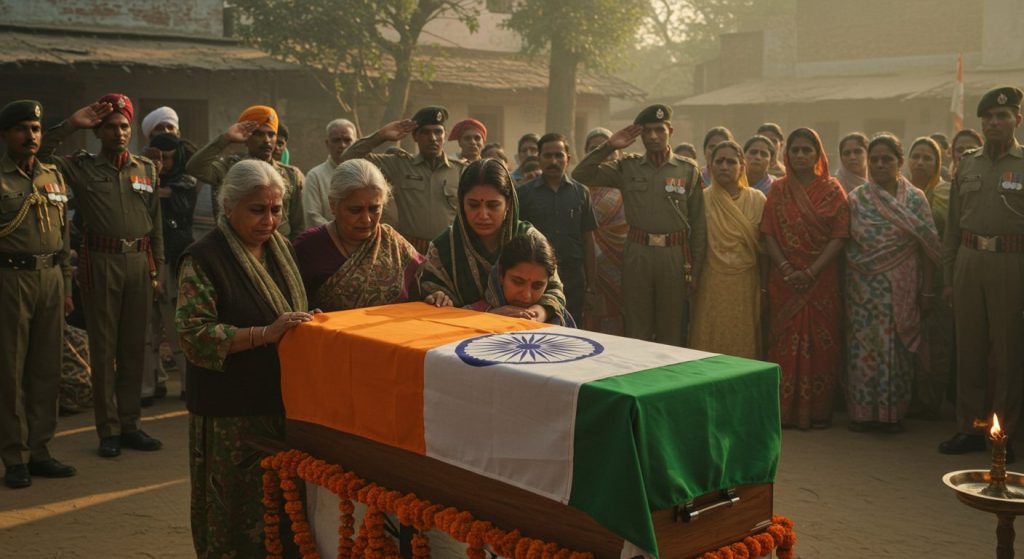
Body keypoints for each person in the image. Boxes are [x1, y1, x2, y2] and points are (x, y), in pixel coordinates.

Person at [175, 159, 311, 558]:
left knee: (282, 515)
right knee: (233, 515)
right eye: (257, 209)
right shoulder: (203, 258)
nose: (269, 220)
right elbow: (193, 334)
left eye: (276, 209)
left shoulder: (281, 250)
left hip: (278, 404)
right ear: (228, 206)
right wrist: (264, 335)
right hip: (229, 414)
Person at [39, 94, 164, 456]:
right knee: (104, 348)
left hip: (139, 262)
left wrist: (158, 270)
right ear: (98, 132)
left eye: (124, 126)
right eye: (110, 127)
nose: (119, 132)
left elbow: (154, 224)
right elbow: (39, 156)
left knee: (132, 348)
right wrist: (71, 125)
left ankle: (131, 425)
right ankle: (107, 430)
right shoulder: (80, 167)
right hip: (101, 260)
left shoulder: (147, 168)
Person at [572, 104, 706, 347]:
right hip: (638, 253)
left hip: (673, 256)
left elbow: (698, 225)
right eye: (647, 131)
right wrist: (610, 146)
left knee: (672, 327)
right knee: (637, 326)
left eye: (659, 130)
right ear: (640, 135)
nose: (653, 136)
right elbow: (581, 174)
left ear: (670, 131)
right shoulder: (627, 167)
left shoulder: (688, 169)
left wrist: (695, 271)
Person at [939, 87, 1024, 460]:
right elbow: (953, 228)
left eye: (1002, 116)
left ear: (1017, 120)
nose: (994, 123)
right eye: (988, 117)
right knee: (969, 351)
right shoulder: (968, 164)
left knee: (1009, 353)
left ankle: (1005, 434)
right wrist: (948, 277)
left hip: (1011, 263)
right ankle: (971, 428)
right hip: (969, 261)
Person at [0, 100, 76, 488]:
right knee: (11, 370)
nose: (30, 136)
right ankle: (14, 456)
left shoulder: (51, 175)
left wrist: (65, 281)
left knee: (48, 368)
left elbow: (63, 234)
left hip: (50, 277)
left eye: (35, 129)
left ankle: (41, 449)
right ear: (5, 135)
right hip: (10, 279)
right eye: (21, 129)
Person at [845, 134, 941, 433]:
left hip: (903, 284)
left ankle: (892, 414)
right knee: (863, 348)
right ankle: (863, 414)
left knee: (896, 348)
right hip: (863, 286)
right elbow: (847, 244)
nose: (879, 164)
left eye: (887, 159)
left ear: (900, 163)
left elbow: (927, 245)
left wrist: (926, 291)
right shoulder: (856, 198)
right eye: (874, 159)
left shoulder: (915, 198)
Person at [761, 127, 849, 430]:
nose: (800, 155)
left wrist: (811, 272)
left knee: (821, 345)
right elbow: (768, 232)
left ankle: (818, 412)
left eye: (806, 150)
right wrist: (786, 268)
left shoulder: (833, 189)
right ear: (787, 154)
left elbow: (840, 237)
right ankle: (783, 412)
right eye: (795, 150)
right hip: (784, 281)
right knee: (784, 343)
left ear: (818, 154)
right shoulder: (779, 189)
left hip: (821, 281)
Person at [420, 158, 567, 323]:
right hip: (460, 338)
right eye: (474, 205)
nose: (483, 215)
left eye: (493, 205)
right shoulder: (445, 246)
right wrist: (438, 298)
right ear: (461, 204)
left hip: (526, 333)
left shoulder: (530, 239)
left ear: (509, 204)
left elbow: (555, 289)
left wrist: (540, 311)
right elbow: (430, 293)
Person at [293, 159, 423, 310]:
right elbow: (290, 304)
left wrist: (435, 295)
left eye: (374, 209)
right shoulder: (309, 247)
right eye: (355, 210)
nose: (366, 219)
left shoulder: (394, 244)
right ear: (333, 205)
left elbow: (423, 281)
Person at [339, 106, 466, 254]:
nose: (432, 138)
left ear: (445, 135)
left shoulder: (461, 170)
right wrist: (381, 135)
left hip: (450, 252)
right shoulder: (400, 165)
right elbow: (347, 159)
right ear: (415, 137)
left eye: (438, 131)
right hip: (411, 251)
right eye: (425, 132)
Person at [689, 141, 767, 359]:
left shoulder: (757, 199)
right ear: (710, 166)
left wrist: (766, 287)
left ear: (742, 167)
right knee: (709, 338)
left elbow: (765, 247)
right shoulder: (702, 199)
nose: (724, 166)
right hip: (711, 281)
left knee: (743, 339)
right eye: (719, 161)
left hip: (746, 282)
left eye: (731, 162)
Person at [186, 105, 306, 240]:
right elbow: (195, 167)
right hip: (237, 246)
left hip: (279, 250)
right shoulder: (229, 168)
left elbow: (298, 226)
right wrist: (225, 138)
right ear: (246, 138)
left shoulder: (289, 175)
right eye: (259, 134)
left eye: (271, 134)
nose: (266, 140)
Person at [140, 133, 198, 404]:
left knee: (175, 323)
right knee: (146, 327)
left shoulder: (186, 181)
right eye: (156, 156)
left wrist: (155, 186)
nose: (162, 161)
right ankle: (149, 386)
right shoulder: (139, 177)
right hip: (143, 256)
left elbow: (180, 205)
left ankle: (188, 385)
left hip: (173, 259)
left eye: (167, 156)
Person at [517, 132, 597, 322]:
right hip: (536, 279)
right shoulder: (524, 194)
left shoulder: (581, 193)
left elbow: (588, 240)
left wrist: (591, 285)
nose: (553, 161)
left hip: (573, 278)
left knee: (572, 326)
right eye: (548, 155)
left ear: (567, 159)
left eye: (559, 155)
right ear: (539, 158)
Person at [905, 136, 954, 420]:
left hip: (937, 279)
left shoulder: (946, 193)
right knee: (909, 339)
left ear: (938, 164)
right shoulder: (898, 194)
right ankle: (910, 396)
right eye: (916, 156)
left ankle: (932, 400)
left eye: (928, 158)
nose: (921, 162)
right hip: (905, 277)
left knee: (937, 341)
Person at [466, 233, 575, 326]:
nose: (526, 295)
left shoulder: (559, 319)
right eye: (518, 282)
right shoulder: (468, 316)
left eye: (537, 286)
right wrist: (490, 320)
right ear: (500, 275)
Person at [581, 127, 627, 335]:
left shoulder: (627, 183)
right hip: (589, 263)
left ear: (619, 154)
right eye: (595, 149)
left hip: (621, 262)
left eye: (609, 150)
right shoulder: (578, 187)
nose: (602, 155)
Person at [303, 118, 359, 227]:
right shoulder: (315, 176)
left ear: (356, 143)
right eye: (336, 140)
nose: (342, 145)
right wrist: (341, 233)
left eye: (347, 140)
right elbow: (312, 216)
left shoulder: (366, 173)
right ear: (327, 143)